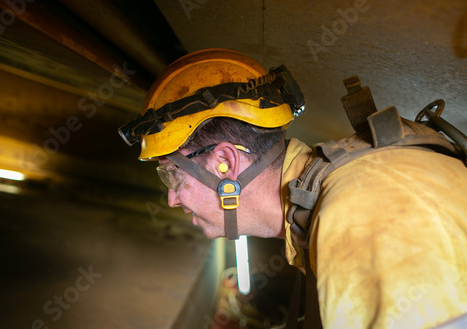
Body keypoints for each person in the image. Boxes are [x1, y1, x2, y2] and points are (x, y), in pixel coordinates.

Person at [118, 48, 467, 328]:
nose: (172, 199)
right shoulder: (320, 205)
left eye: (174, 176)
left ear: (224, 163)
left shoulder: (362, 216)